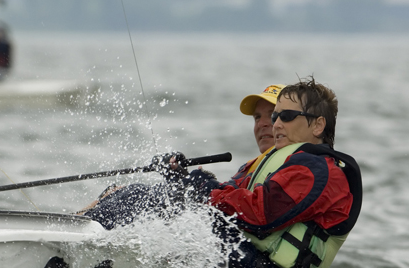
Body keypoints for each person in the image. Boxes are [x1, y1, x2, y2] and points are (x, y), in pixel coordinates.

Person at [188, 77, 362, 268]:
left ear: (318, 125)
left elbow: (259, 212)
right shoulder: (279, 162)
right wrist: (186, 180)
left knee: (181, 218)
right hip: (250, 260)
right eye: (274, 117)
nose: (275, 124)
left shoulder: (316, 169)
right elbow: (228, 194)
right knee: (171, 204)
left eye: (285, 116)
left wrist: (202, 189)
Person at [80, 84, 285, 230]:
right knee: (118, 190)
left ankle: (80, 227)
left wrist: (202, 183)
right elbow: (227, 196)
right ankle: (77, 220)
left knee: (132, 194)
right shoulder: (256, 165)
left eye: (272, 115)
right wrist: (179, 176)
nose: (262, 124)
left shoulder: (289, 165)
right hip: (208, 222)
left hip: (225, 238)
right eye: (257, 117)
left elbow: (249, 209)